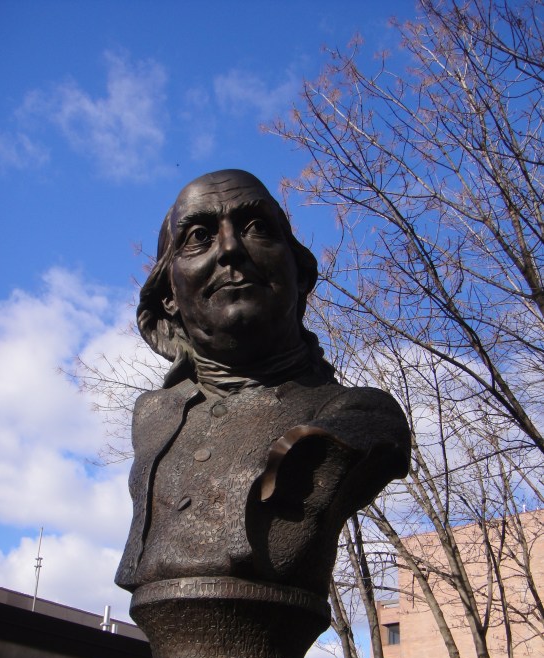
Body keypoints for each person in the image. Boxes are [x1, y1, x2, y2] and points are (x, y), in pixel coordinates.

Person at [115, 169, 410, 599]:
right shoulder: (152, 416)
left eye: (256, 228)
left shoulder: (362, 417)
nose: (231, 248)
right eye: (198, 236)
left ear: (300, 274)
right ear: (168, 296)